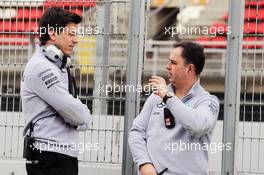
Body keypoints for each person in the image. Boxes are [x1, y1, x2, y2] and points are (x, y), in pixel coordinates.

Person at [129, 41, 220, 175]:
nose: (167, 66)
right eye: (169, 61)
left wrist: (168, 97)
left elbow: (198, 126)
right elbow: (137, 131)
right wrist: (144, 164)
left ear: (190, 68)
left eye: (174, 63)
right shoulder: (157, 96)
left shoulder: (207, 101)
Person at [21, 7, 91, 175]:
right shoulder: (42, 68)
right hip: (50, 158)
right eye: (71, 34)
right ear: (52, 34)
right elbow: (76, 114)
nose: (76, 40)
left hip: (57, 156)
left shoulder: (55, 64)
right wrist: (85, 117)